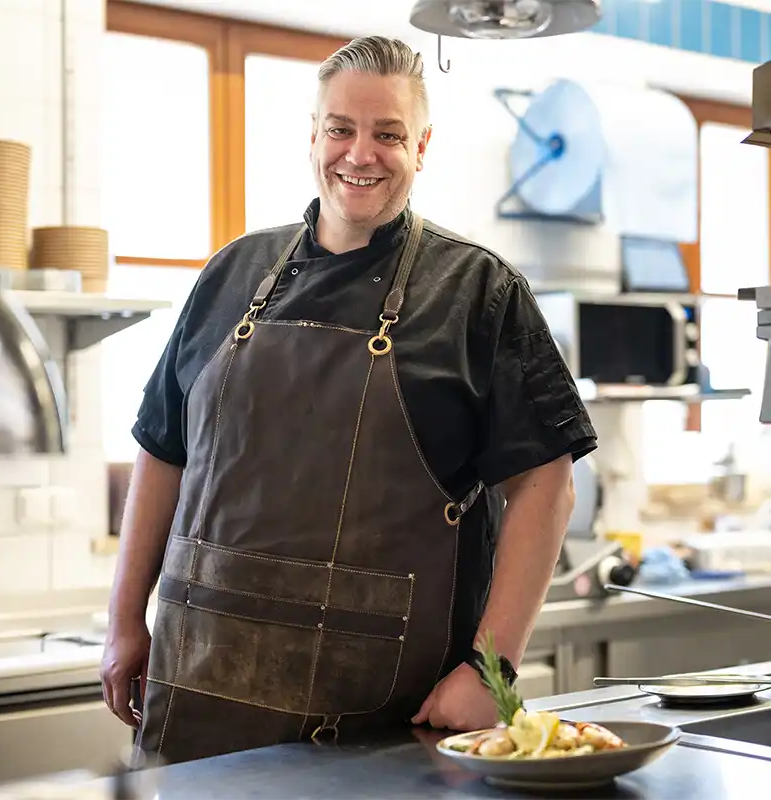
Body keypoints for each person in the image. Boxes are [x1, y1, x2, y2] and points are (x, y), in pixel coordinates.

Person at [100, 35, 597, 766]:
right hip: (197, 713)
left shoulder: (480, 295)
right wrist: (123, 620)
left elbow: (546, 487)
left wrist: (494, 672)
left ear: (421, 147)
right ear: (313, 136)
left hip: (381, 728)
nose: (360, 154)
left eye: (388, 134)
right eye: (341, 129)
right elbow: (161, 453)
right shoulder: (231, 274)